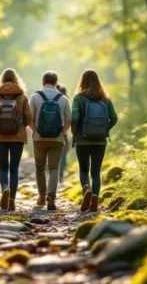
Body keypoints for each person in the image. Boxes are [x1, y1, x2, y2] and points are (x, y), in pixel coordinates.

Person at [71, 69, 118, 212]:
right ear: (98, 81)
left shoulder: (78, 98)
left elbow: (74, 118)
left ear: (82, 81)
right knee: (96, 172)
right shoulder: (105, 98)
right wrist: (104, 129)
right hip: (100, 141)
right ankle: (95, 200)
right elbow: (114, 118)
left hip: (82, 140)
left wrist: (75, 132)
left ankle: (86, 189)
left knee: (84, 170)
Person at [0, 68, 32, 211]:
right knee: (14, 169)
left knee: (3, 167)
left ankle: (4, 188)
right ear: (16, 79)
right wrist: (20, 126)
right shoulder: (22, 97)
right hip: (17, 138)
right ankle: (11, 200)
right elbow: (29, 117)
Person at [30, 71, 71, 210]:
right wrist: (62, 132)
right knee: (54, 168)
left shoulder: (35, 96)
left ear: (43, 81)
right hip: (57, 139)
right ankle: (51, 197)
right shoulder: (63, 98)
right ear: (56, 82)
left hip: (39, 138)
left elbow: (29, 118)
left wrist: (35, 130)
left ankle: (41, 195)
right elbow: (69, 119)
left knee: (40, 167)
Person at [56, 83, 69, 182]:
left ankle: (55, 174)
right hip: (63, 133)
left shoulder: (53, 100)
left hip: (51, 133)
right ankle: (61, 175)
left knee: (54, 154)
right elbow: (69, 118)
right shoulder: (66, 101)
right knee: (63, 154)